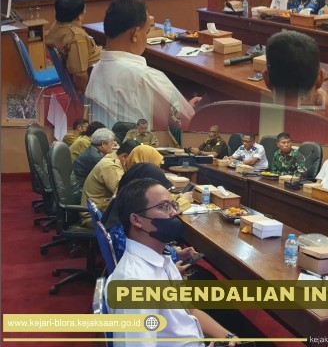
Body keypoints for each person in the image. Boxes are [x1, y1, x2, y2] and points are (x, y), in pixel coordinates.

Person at [106, 178, 238, 346]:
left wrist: (229, 337)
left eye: (173, 205)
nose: (173, 213)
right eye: (163, 207)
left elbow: (190, 310)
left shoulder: (162, 257)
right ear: (136, 220)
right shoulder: (134, 283)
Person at [85, 0, 200, 130]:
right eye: (146, 32)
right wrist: (187, 109)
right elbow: (185, 123)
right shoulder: (145, 77)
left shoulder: (96, 69)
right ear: (134, 34)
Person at [45, 0, 101, 93]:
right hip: (96, 79)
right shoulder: (76, 37)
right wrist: (86, 95)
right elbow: (79, 74)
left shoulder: (55, 27)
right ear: (79, 16)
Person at [79, 140, 139, 227]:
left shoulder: (114, 159)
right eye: (134, 161)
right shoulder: (110, 167)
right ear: (124, 157)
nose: (135, 164)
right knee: (138, 223)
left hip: (102, 211)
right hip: (95, 216)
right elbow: (124, 193)